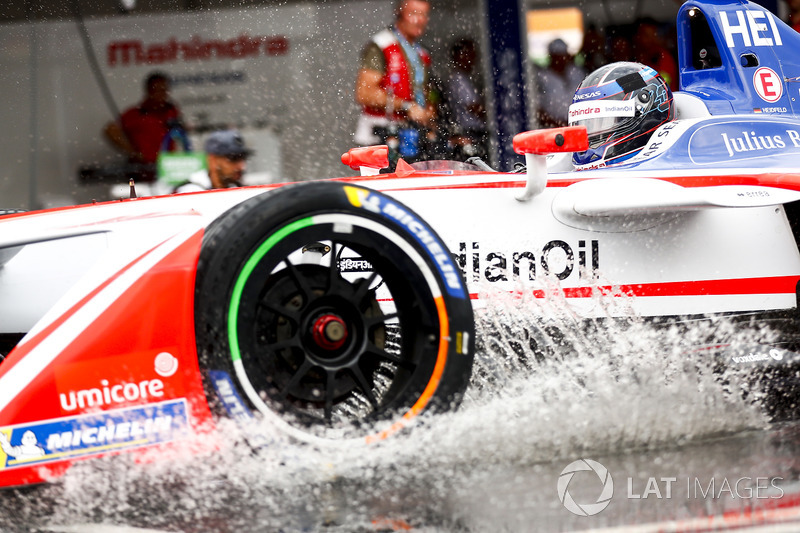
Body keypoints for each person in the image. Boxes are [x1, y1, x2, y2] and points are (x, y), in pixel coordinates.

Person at [353, 0, 436, 147]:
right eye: (413, 13)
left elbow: (426, 92)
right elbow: (364, 93)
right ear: (399, 13)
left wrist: (428, 113)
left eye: (424, 15)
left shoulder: (422, 52)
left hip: (410, 134)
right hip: (379, 134)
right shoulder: (381, 45)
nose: (419, 20)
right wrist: (406, 106)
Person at [567, 61, 675, 170]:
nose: (590, 141)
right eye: (586, 123)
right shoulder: (556, 166)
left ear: (643, 111)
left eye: (604, 120)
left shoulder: (675, 167)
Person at [103, 71, 182, 180]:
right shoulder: (136, 113)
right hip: (144, 172)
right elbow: (110, 130)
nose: (162, 94)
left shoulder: (171, 110)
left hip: (168, 170)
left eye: (164, 90)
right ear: (149, 91)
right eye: (158, 90)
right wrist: (132, 152)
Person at [169, 129, 253, 193]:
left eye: (243, 158)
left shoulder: (239, 190)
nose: (241, 166)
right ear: (212, 160)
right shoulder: (191, 192)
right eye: (233, 158)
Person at [445, 38, 488, 158]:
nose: (474, 59)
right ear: (460, 56)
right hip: (467, 132)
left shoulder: (464, 78)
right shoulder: (458, 79)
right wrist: (493, 114)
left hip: (473, 132)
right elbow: (473, 107)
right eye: (470, 54)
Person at [536, 38, 587, 128]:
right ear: (552, 56)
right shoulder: (542, 77)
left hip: (577, 126)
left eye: (564, 55)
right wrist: (558, 124)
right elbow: (537, 109)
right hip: (552, 129)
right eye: (558, 56)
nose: (562, 59)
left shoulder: (577, 72)